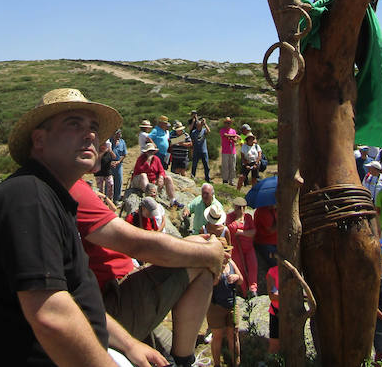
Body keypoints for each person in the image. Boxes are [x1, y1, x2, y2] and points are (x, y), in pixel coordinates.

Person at [0, 87, 168, 367]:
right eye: (74, 124)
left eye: (93, 127)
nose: (90, 134)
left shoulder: (54, 199)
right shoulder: (29, 197)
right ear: (39, 140)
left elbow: (75, 300)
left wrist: (129, 344)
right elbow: (52, 315)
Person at [70, 174, 228, 367]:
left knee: (200, 246)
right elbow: (138, 246)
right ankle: (184, 360)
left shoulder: (71, 186)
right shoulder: (72, 189)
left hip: (118, 292)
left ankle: (181, 358)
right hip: (113, 299)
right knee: (201, 259)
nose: (96, 145)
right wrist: (211, 253)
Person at [131, 142, 183, 209]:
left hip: (152, 181)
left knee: (168, 178)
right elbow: (140, 170)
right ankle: (149, 199)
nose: (151, 153)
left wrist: (161, 177)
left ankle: (173, 201)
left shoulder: (156, 159)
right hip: (140, 180)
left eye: (152, 151)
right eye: (149, 151)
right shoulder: (141, 159)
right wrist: (147, 162)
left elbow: (161, 170)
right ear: (146, 152)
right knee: (143, 175)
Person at [226, 197, 257, 297]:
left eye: (243, 207)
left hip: (248, 247)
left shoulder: (248, 217)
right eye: (239, 207)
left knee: (253, 265)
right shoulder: (229, 217)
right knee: (240, 269)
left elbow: (253, 232)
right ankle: (244, 292)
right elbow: (231, 228)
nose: (241, 210)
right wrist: (239, 224)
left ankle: (253, 289)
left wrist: (241, 232)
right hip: (236, 249)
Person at [253, 204, 278, 272]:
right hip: (264, 242)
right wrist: (282, 221)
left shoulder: (273, 210)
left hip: (275, 241)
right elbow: (270, 230)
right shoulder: (262, 211)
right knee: (275, 263)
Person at [188, 116, 211, 182]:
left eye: (200, 125)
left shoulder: (204, 131)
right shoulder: (193, 132)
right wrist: (192, 150)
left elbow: (209, 131)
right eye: (197, 125)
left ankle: (207, 178)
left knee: (206, 165)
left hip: (204, 151)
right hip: (196, 151)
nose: (199, 127)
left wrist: (205, 124)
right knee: (194, 165)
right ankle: (192, 176)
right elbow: (191, 141)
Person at [219, 117, 239, 185]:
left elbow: (235, 140)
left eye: (229, 123)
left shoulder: (233, 130)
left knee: (232, 166)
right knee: (225, 166)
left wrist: (232, 137)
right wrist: (234, 136)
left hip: (232, 151)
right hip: (225, 151)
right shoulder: (222, 130)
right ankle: (225, 180)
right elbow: (225, 135)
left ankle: (232, 180)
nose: (228, 124)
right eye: (226, 123)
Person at [110, 129, 128, 203]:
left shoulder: (122, 142)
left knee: (119, 181)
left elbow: (124, 154)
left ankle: (116, 198)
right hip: (109, 164)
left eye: (120, 134)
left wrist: (118, 161)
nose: (119, 135)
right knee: (109, 182)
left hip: (119, 164)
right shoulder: (109, 142)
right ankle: (108, 198)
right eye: (117, 134)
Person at [266, 262, 280, 354]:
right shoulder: (273, 271)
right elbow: (273, 296)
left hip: (291, 313)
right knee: (274, 345)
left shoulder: (295, 272)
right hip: (276, 312)